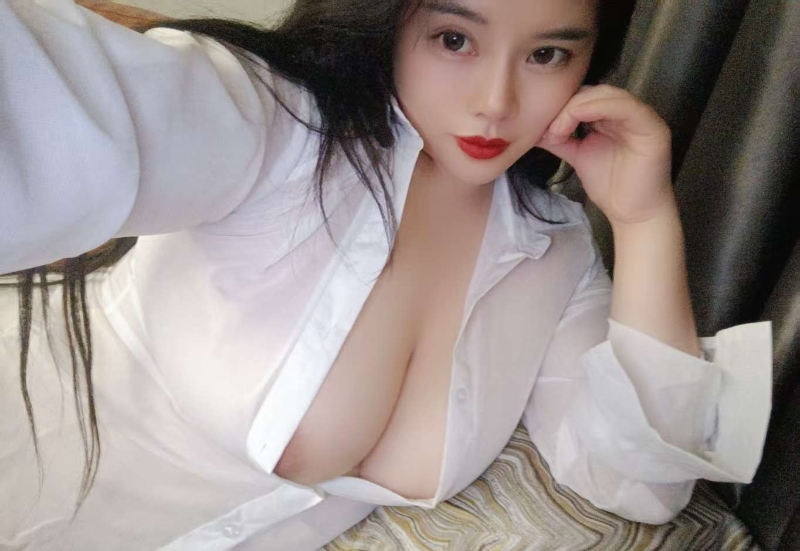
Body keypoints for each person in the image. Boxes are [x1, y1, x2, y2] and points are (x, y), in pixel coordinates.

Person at [0, 0, 773, 549]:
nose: (496, 103)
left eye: (547, 55)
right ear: (390, 21)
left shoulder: (553, 250)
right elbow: (62, 111)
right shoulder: (278, 123)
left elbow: (641, 481)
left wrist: (644, 221)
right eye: (454, 39)